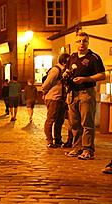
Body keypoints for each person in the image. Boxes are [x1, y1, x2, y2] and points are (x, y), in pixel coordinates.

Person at [65, 31, 105, 160]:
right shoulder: (72, 57)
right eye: (79, 41)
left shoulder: (94, 57)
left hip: (86, 93)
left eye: (84, 41)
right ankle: (77, 148)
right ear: (75, 42)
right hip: (73, 93)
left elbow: (102, 75)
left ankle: (88, 149)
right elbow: (68, 71)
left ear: (88, 42)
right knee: (74, 123)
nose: (81, 43)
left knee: (87, 123)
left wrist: (85, 79)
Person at [43, 53, 69, 147]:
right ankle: (49, 141)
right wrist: (45, 93)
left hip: (61, 98)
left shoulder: (64, 71)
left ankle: (58, 140)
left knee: (59, 120)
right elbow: (46, 84)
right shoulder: (56, 70)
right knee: (51, 119)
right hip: (53, 98)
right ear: (64, 62)